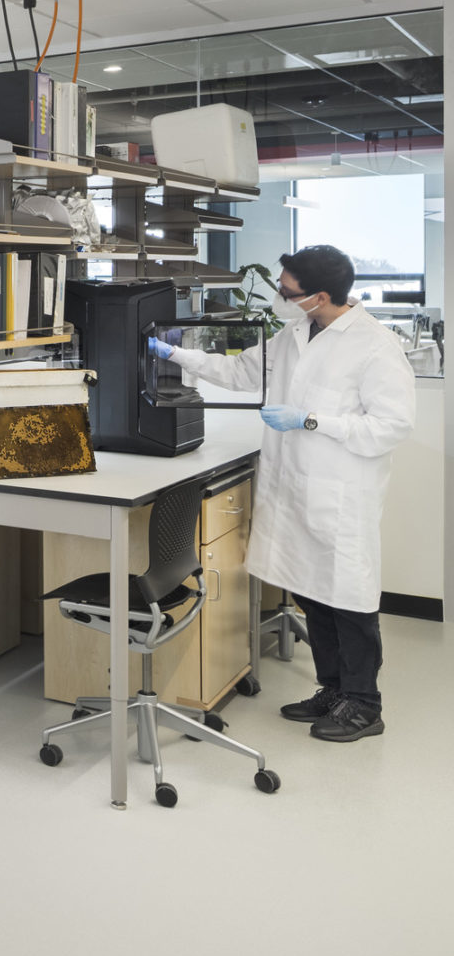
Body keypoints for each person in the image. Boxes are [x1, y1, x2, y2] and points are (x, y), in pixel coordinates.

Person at [149, 245, 415, 742]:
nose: (279, 297)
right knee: (313, 593)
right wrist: (173, 352)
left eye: (287, 291)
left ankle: (364, 705)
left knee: (350, 602)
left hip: (341, 494)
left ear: (318, 296)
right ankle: (332, 690)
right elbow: (240, 372)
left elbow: (392, 425)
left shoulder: (375, 346)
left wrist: (311, 420)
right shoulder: (294, 333)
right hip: (293, 484)